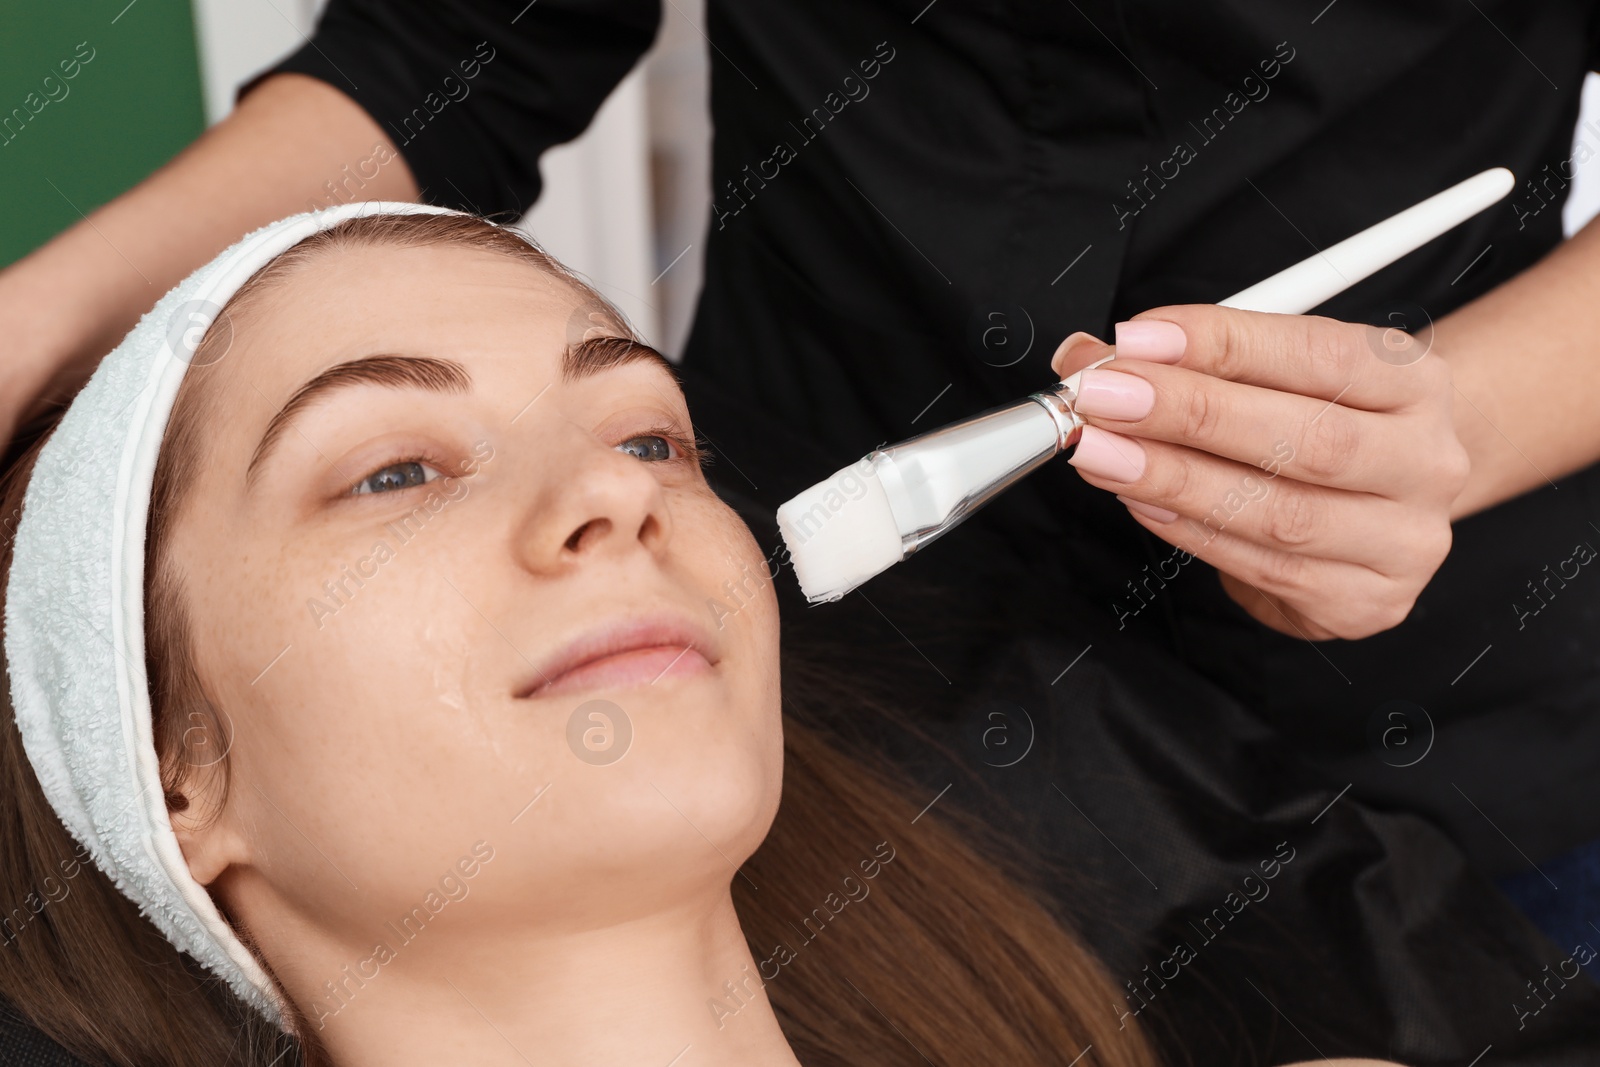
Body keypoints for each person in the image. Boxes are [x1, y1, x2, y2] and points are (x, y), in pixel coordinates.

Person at [2, 2, 1599, 1061]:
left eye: (645, 429)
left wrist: (1448, 422)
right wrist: (36, 327)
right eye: (396, 471)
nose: (621, 492)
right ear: (173, 774)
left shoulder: (1367, 969)